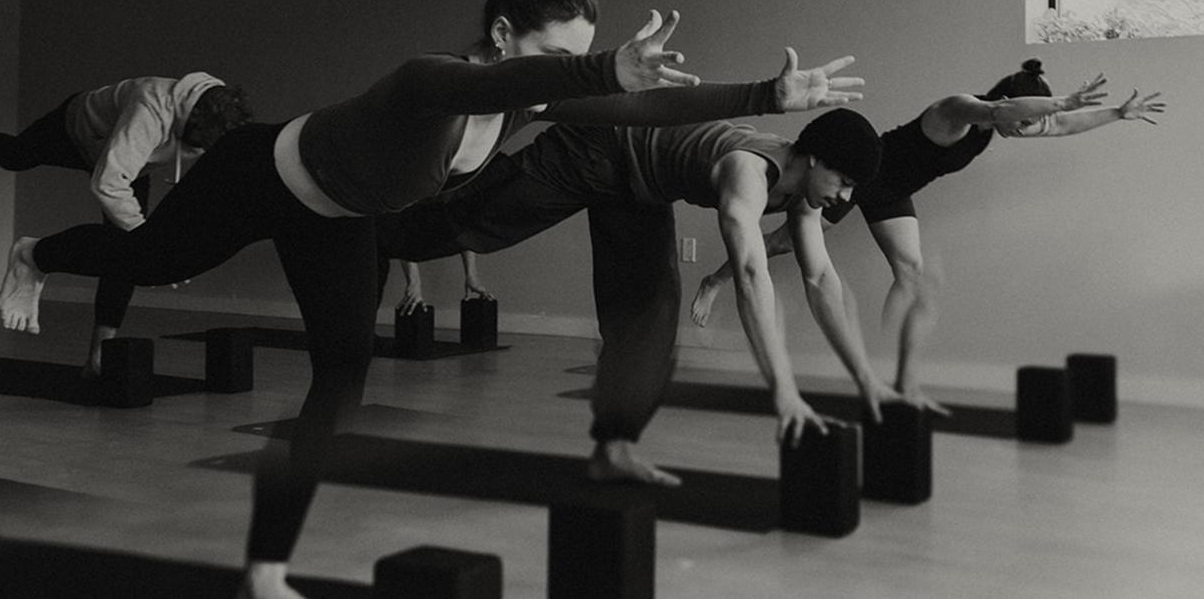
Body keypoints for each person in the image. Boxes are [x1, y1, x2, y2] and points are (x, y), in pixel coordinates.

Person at [0, 0, 859, 599]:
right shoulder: (429, 80)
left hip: (339, 220)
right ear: (502, 32)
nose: (560, 76)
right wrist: (599, 65)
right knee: (148, 259)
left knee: (340, 379)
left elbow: (646, 104)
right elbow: (502, 89)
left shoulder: (536, 92)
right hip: (259, 175)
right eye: (552, 54)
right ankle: (38, 254)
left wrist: (766, 98)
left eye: (573, 59)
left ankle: (264, 571)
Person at [376, 109, 912, 486]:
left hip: (640, 184)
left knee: (652, 316)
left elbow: (823, 282)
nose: (843, 198)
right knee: (468, 220)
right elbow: (751, 273)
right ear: (814, 159)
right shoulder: (748, 172)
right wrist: (784, 390)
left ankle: (614, 449)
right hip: (593, 148)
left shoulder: (804, 194)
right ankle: (364, 225)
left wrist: (866, 379)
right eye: (841, 182)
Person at [688, 59, 1165, 410]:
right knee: (777, 244)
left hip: (895, 194)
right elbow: (1008, 110)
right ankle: (715, 280)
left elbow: (1059, 126)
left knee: (916, 276)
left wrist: (1117, 114)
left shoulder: (1004, 125)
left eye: (1030, 125)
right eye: (1023, 121)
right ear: (1005, 105)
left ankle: (907, 384)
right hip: (864, 178)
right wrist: (1057, 101)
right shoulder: (957, 110)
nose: (1026, 131)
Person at [0, 73, 252, 376]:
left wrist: (171, 251)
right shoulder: (150, 107)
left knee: (127, 255)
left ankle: (99, 352)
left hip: (131, 166)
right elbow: (108, 183)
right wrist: (151, 240)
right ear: (194, 117)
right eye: (202, 143)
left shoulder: (214, 121)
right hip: (75, 132)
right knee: (18, 156)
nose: (201, 150)